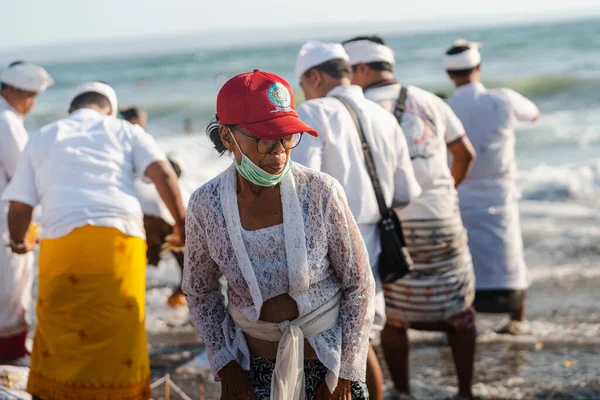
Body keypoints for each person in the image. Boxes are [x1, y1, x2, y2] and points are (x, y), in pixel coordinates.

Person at [183, 69, 375, 400]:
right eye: (264, 140)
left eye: (286, 137)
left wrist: (344, 376)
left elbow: (359, 284)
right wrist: (228, 370)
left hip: (328, 365)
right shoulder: (206, 205)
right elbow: (200, 293)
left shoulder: (319, 192)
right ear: (228, 138)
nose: (279, 152)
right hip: (252, 368)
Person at [2, 81, 186, 399]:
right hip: (119, 242)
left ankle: (57, 392)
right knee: (120, 330)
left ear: (71, 110)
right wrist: (182, 226)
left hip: (62, 242)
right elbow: (164, 174)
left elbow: (19, 205)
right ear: (110, 109)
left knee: (60, 330)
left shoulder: (45, 135)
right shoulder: (125, 130)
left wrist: (19, 241)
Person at [343, 36, 478, 400]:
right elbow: (465, 153)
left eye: (348, 70)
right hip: (442, 219)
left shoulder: (356, 110)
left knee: (395, 315)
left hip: (391, 227)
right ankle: (465, 392)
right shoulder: (430, 99)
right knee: (460, 309)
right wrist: (446, 191)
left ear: (362, 69)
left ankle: (403, 391)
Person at [292, 41, 422, 400]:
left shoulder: (314, 111)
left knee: (338, 346)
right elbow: (407, 191)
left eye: (303, 82)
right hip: (373, 240)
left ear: (314, 76)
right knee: (361, 337)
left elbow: (303, 186)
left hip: (327, 247)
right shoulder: (383, 115)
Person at [444, 39, 540, 334]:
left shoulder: (445, 107)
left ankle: (465, 324)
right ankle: (517, 324)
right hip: (500, 194)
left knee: (466, 263)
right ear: (479, 67)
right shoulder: (502, 100)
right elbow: (534, 114)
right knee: (510, 258)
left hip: (461, 194)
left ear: (450, 75)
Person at [0, 61, 54, 365]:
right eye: (29, 95)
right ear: (12, 89)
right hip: (6, 219)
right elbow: (24, 175)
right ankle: (12, 354)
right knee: (11, 284)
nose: (32, 103)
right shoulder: (6, 121)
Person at [121, 107, 190, 307]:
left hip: (135, 214)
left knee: (131, 267)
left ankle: (130, 301)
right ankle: (178, 298)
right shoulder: (141, 142)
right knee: (183, 259)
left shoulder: (124, 146)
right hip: (161, 217)